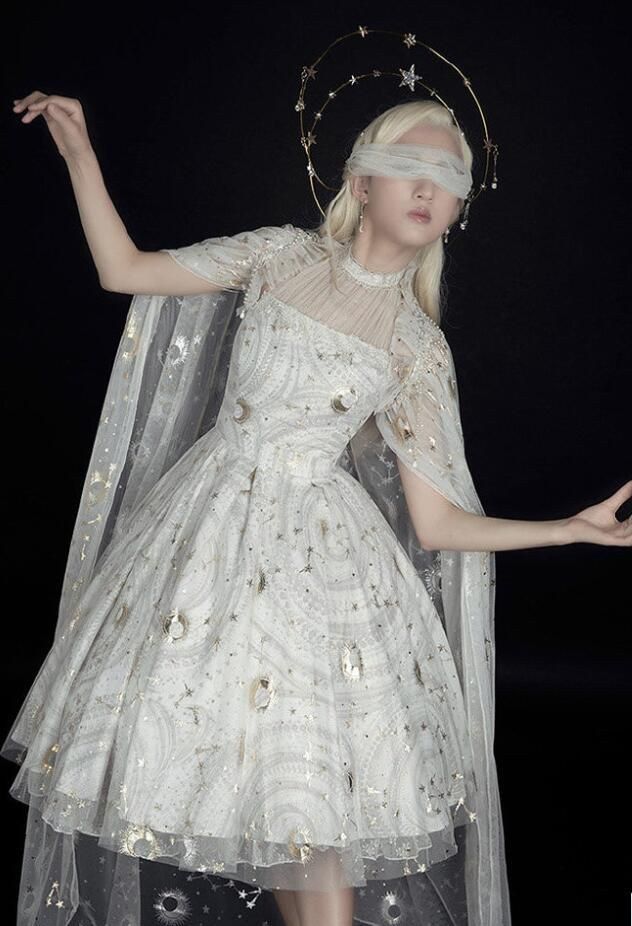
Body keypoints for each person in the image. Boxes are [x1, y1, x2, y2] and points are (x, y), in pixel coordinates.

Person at [5, 90, 630, 926]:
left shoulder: (415, 345)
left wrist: (567, 530)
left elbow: (439, 524)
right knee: (252, 795)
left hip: (322, 577)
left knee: (312, 805)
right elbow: (125, 270)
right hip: (204, 553)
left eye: (450, 177)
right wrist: (79, 152)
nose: (429, 187)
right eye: (410, 166)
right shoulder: (275, 257)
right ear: (360, 181)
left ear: (456, 209)